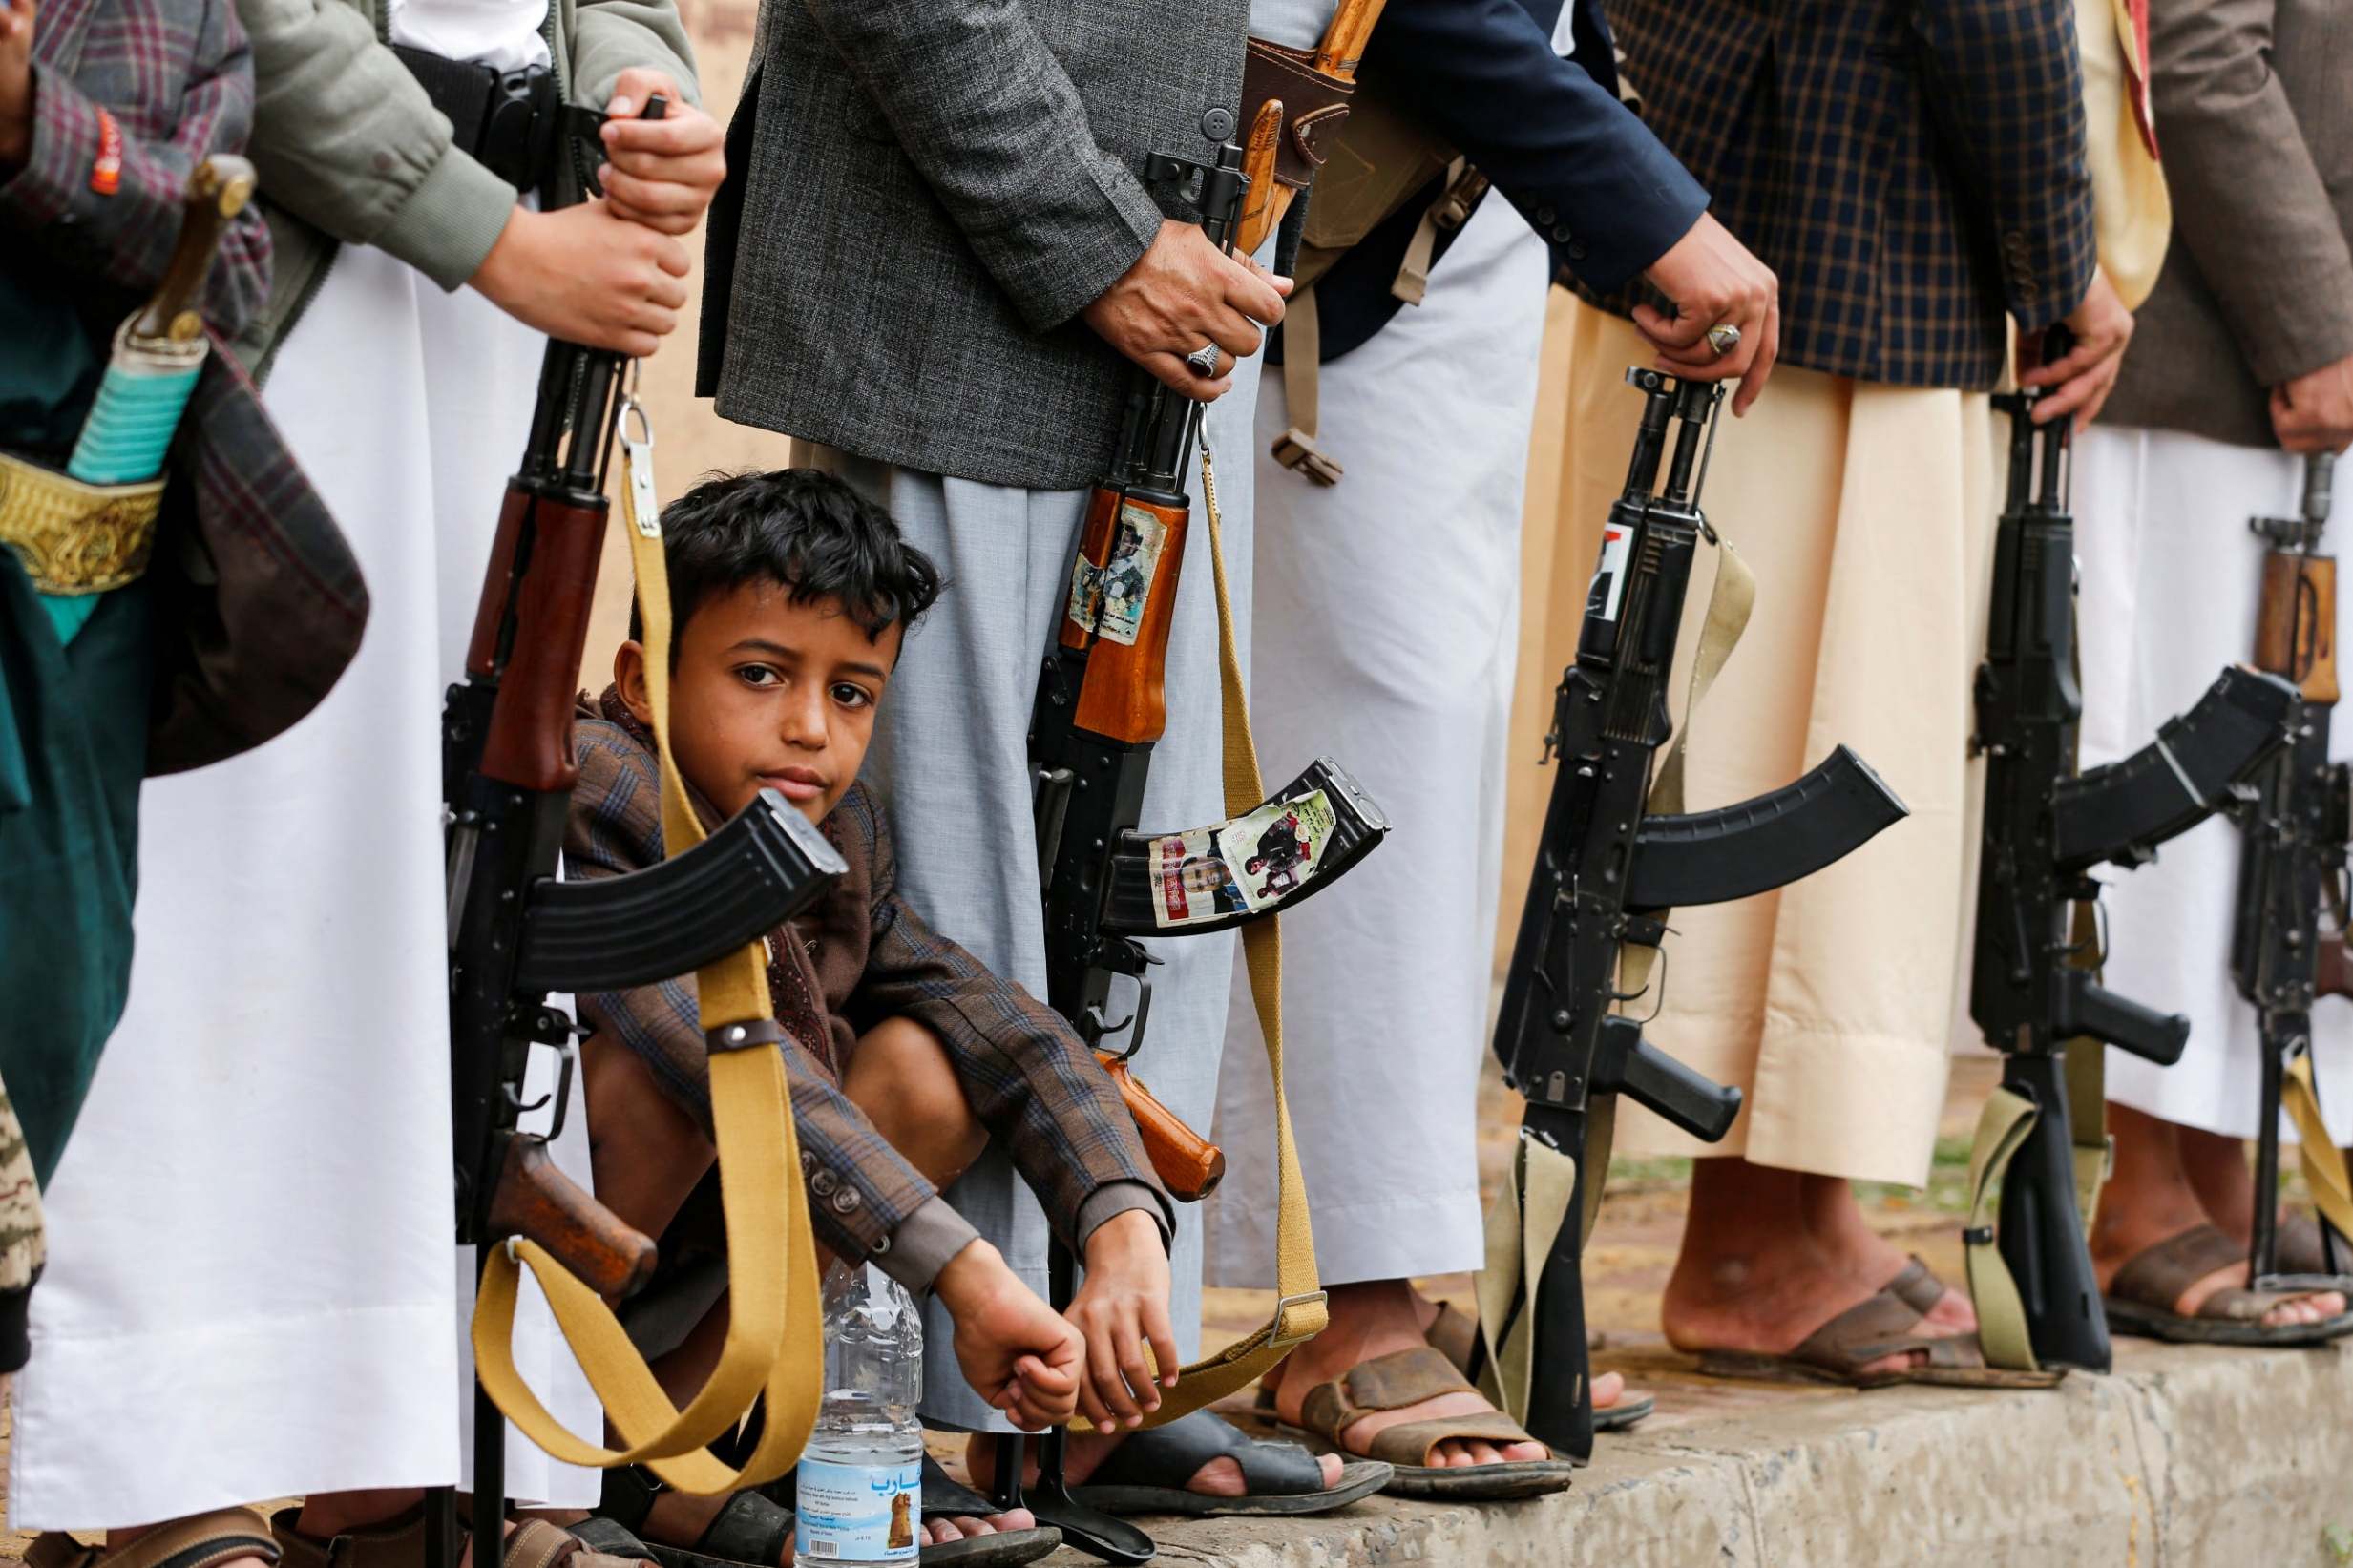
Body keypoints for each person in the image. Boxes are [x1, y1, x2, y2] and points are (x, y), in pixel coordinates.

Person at [10, 0, 725, 1558]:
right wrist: (497, 237)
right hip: (289, 265)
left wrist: (640, 102)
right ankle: (159, 1468)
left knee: (453, 908)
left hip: (518, 299)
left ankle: (411, 1456)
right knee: (217, 872)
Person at [701, 0, 1364, 1514]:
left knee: (1133, 885)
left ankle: (1099, 1372)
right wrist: (1097, 243)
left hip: (1189, 271)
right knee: (944, 900)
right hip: (974, 289)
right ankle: (901, 1401)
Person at [1208, 0, 1780, 1495]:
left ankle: (1402, 1254)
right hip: (1320, 193)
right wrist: (1650, 207)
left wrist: (1610, 221)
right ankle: (1360, 1302)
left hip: (1438, 224)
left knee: (1438, 759)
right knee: (1368, 753)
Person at [568, 468, 1343, 1560]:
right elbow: (712, 1047)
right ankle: (575, 1461)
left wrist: (1124, 1229)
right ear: (644, 683)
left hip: (686, 1316)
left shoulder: (845, 839)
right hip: (537, 1289)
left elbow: (1007, 1031)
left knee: (927, 1068)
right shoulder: (600, 780)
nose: (808, 729)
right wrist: (967, 1271)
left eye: (851, 692)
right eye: (758, 674)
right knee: (680, 1087)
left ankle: (672, 1458)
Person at [1548, 0, 2132, 1385]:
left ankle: (1791, 1214)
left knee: (1739, 719)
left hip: (1735, 183)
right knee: (1804, 712)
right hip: (1832, 217)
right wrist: (2061, 267)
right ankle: (1757, 1236)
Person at [0, 0, 364, 1427]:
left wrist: (41, 129)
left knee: (45, 1018)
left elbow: (233, 266)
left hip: (63, 605)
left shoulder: (163, 12)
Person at [2070, 0, 2353, 1342]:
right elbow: (2188, 42)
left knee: (2281, 815)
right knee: (2179, 783)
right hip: (2219, 346)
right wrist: (2311, 319)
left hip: (2293, 355)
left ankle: (2218, 1163)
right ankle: (2136, 1184)